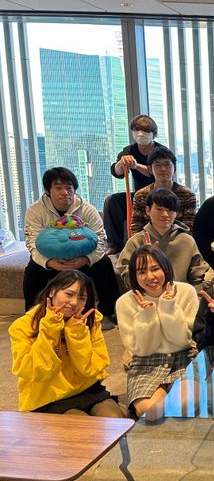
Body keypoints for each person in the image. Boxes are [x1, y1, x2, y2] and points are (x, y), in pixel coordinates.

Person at [9, 270, 127, 417]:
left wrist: (77, 334)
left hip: (87, 390)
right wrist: (49, 330)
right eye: (69, 294)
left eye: (82, 298)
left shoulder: (90, 321)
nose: (74, 302)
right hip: (47, 399)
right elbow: (37, 372)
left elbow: (91, 369)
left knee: (115, 420)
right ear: (52, 291)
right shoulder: (23, 326)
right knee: (84, 427)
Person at [22, 167, 119, 328]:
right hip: (53, 261)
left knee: (104, 263)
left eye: (69, 187)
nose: (65, 192)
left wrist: (86, 259)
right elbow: (32, 242)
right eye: (58, 187)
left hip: (81, 258)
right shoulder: (35, 211)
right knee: (33, 270)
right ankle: (34, 315)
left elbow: (101, 239)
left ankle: (107, 312)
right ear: (48, 190)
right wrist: (49, 262)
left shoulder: (87, 209)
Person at [116, 245, 199, 420]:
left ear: (165, 267)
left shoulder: (186, 291)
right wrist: (147, 316)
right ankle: (163, 391)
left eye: (155, 269)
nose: (150, 277)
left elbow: (183, 340)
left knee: (185, 407)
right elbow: (143, 349)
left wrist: (168, 308)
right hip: (146, 361)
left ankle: (170, 391)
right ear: (134, 275)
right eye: (142, 272)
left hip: (183, 356)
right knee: (151, 413)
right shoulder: (124, 302)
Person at [117, 188, 213, 291]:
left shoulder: (186, 240)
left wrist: (194, 296)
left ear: (176, 213)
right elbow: (127, 277)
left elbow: (198, 277)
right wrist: (145, 263)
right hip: (146, 296)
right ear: (148, 210)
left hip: (180, 296)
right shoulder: (136, 242)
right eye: (159, 209)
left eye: (170, 210)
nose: (165, 214)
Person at [104, 114, 163, 253]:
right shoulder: (129, 150)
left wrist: (136, 166)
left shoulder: (160, 151)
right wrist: (122, 162)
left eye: (145, 131)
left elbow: (156, 173)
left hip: (158, 194)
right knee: (112, 201)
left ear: (153, 134)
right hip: (138, 195)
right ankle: (114, 245)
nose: (140, 134)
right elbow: (116, 172)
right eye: (137, 130)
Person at [130, 146, 196, 234]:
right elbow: (136, 228)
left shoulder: (187, 195)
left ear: (175, 169)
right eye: (157, 165)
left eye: (167, 164)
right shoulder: (141, 195)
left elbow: (188, 228)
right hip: (148, 240)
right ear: (150, 169)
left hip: (178, 240)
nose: (163, 169)